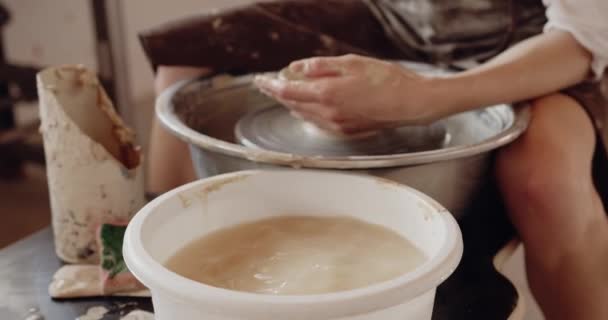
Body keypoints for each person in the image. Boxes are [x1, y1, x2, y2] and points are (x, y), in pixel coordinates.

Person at [139, 1, 608, 318]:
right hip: (394, 22)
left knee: (544, 174)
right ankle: (144, 279)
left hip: (541, 42)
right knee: (187, 60)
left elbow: (582, 39)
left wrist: (420, 98)